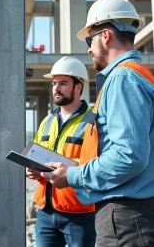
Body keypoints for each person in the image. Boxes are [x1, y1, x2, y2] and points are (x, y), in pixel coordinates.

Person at [41, 0, 154, 247]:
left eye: (90, 41)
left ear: (106, 36)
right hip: (132, 213)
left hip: (125, 217)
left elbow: (129, 155)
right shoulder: (139, 76)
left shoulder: (123, 79)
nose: (89, 49)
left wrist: (72, 176)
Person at [26, 56, 96, 247]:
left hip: (80, 213)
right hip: (46, 213)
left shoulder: (93, 121)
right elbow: (37, 155)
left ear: (78, 88)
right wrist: (33, 171)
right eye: (54, 83)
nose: (56, 88)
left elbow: (97, 164)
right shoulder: (47, 122)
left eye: (63, 83)